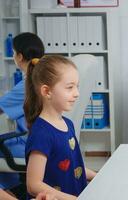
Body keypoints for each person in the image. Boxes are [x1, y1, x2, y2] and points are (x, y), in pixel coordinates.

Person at [24, 55, 96, 200]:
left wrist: (97, 176)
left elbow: (74, 167)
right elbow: (33, 185)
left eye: (77, 86)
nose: (77, 93)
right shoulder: (42, 134)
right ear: (47, 91)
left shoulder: (68, 124)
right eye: (70, 87)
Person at [0, 32, 44, 200]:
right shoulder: (42, 77)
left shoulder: (27, 83)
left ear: (19, 56)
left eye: (13, 52)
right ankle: (13, 191)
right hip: (36, 140)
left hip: (27, 144)